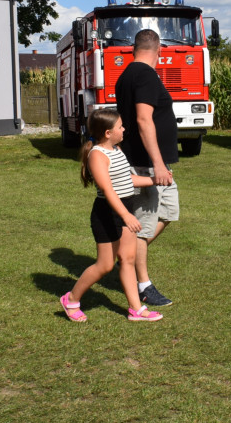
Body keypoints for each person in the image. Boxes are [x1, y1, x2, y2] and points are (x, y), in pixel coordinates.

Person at [60, 109, 162, 323]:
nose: (124, 129)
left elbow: (129, 180)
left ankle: (136, 309)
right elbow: (108, 191)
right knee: (105, 265)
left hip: (125, 210)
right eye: (120, 127)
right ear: (108, 132)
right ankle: (71, 299)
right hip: (108, 213)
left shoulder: (116, 149)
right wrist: (126, 216)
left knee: (128, 259)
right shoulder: (97, 155)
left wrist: (155, 180)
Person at [115, 29, 179, 307]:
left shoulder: (127, 74)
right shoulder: (145, 75)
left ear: (133, 48)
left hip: (150, 162)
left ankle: (125, 257)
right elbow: (143, 120)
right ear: (160, 50)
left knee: (168, 213)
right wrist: (157, 164)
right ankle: (142, 283)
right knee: (142, 225)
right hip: (145, 164)